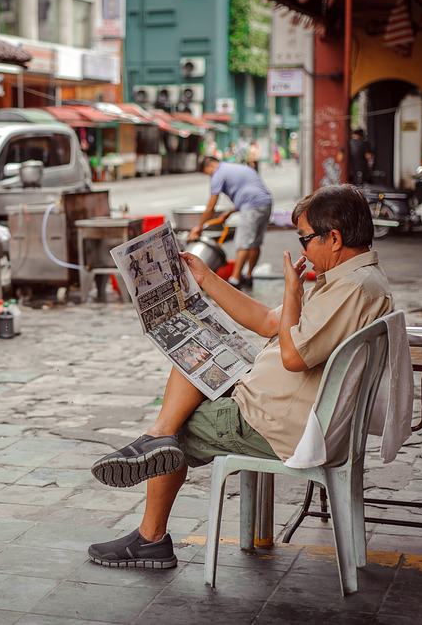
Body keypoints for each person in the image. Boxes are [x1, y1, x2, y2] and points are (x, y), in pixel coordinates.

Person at [87, 184, 393, 569]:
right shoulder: (353, 280)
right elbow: (269, 322)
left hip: (275, 420)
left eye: (306, 239)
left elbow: (294, 356)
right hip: (279, 401)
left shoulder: (353, 289)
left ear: (334, 239)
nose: (302, 249)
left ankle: (151, 533)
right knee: (193, 356)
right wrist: (208, 280)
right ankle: (156, 437)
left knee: (176, 432)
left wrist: (293, 293)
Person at [189, 156, 273, 290]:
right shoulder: (235, 167)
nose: (210, 176)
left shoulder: (218, 173)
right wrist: (230, 212)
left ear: (209, 165)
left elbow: (211, 206)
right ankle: (248, 276)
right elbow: (248, 190)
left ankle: (235, 280)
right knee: (255, 243)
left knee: (243, 243)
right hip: (265, 203)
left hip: (251, 206)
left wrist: (199, 228)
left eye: (208, 173)